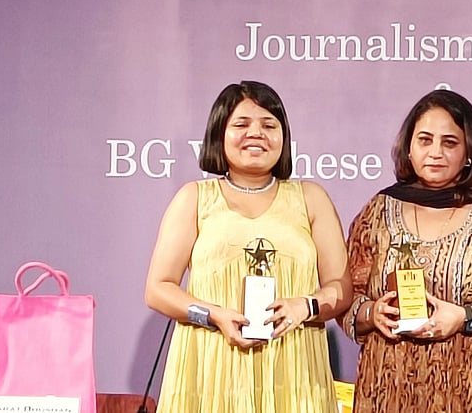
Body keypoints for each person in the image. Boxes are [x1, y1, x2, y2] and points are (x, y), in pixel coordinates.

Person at [146, 81, 352, 413]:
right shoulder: (194, 198)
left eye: (269, 125)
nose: (256, 133)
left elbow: (341, 287)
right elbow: (158, 289)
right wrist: (213, 315)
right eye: (241, 124)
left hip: (293, 368)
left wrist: (306, 306)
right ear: (219, 134)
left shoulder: (311, 198)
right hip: (211, 369)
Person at [340, 89, 472, 413]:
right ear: (409, 149)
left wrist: (466, 318)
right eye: (425, 140)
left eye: (449, 143)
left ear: (469, 152)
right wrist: (371, 313)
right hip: (391, 388)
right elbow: (346, 296)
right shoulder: (377, 212)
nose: (435, 152)